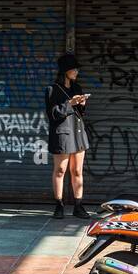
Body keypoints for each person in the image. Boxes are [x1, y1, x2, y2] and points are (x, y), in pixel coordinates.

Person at [46, 52, 90, 219]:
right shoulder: (52, 90)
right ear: (65, 70)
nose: (77, 72)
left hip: (78, 132)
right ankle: (59, 205)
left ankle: (78, 206)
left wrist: (82, 104)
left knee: (77, 171)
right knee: (60, 170)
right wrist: (70, 103)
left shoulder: (77, 88)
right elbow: (53, 114)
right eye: (74, 69)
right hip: (62, 134)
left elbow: (79, 114)